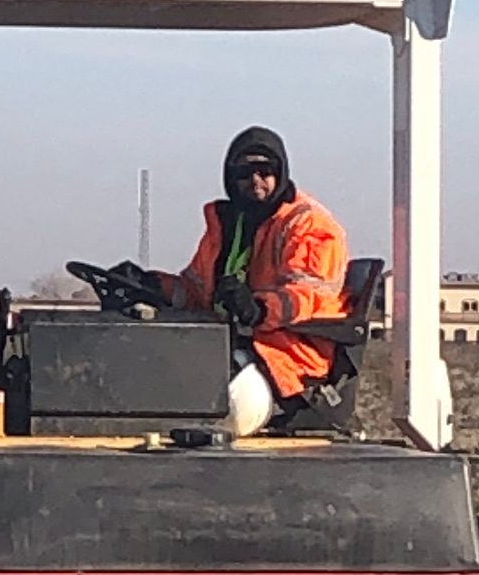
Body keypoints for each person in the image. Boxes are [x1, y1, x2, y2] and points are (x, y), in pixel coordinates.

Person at [88, 127, 351, 433]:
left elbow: (309, 296)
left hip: (289, 359)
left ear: (281, 173)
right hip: (229, 344)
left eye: (265, 171)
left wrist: (258, 309)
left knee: (196, 396)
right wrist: (151, 285)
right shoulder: (227, 225)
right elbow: (196, 292)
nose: (255, 181)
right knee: (146, 368)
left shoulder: (309, 225)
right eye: (245, 172)